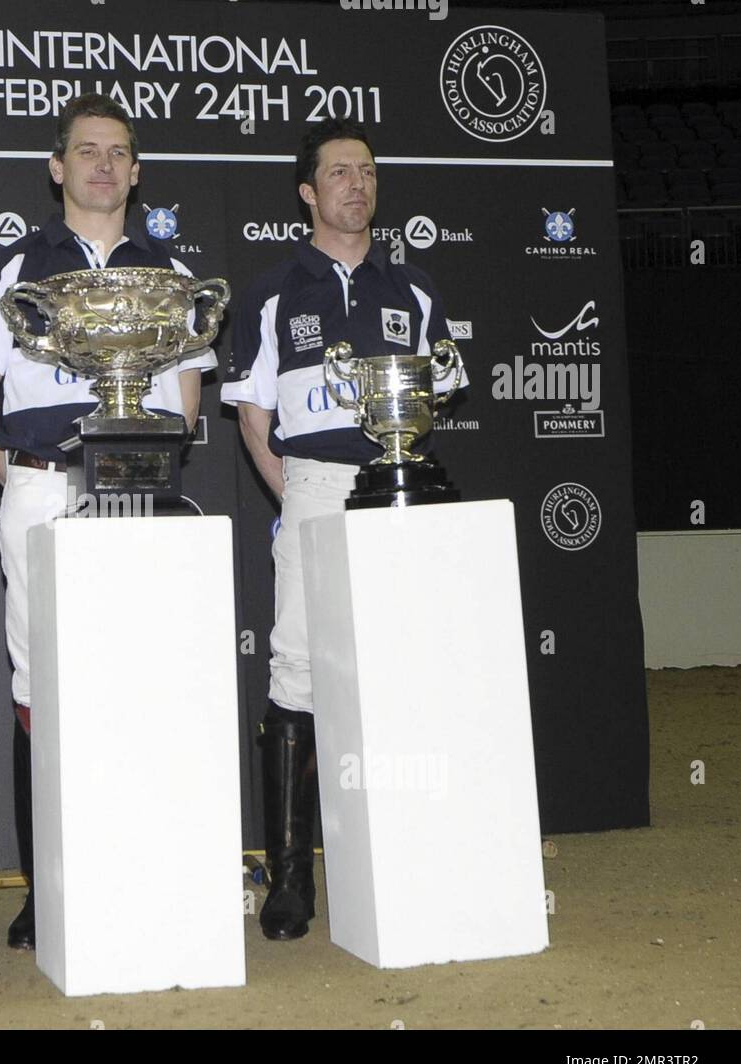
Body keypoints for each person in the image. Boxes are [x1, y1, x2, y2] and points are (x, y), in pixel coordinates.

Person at [0, 94, 216, 950]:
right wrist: (22, 479)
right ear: (56, 167)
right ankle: (46, 892)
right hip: (42, 485)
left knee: (140, 680)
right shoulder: (16, 268)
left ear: (136, 172)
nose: (104, 165)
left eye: (120, 152)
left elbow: (184, 398)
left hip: (141, 491)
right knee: (42, 690)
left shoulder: (168, 276)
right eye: (87, 151)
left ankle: (142, 869)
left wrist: (148, 470)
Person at [222, 119, 463, 940]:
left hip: (399, 488)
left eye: (366, 171)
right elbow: (253, 413)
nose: (355, 185)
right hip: (316, 484)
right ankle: (291, 879)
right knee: (297, 667)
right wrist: (296, 495)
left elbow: (441, 393)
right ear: (307, 191)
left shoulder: (417, 290)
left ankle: (404, 852)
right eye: (338, 173)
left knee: (399, 668)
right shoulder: (271, 291)